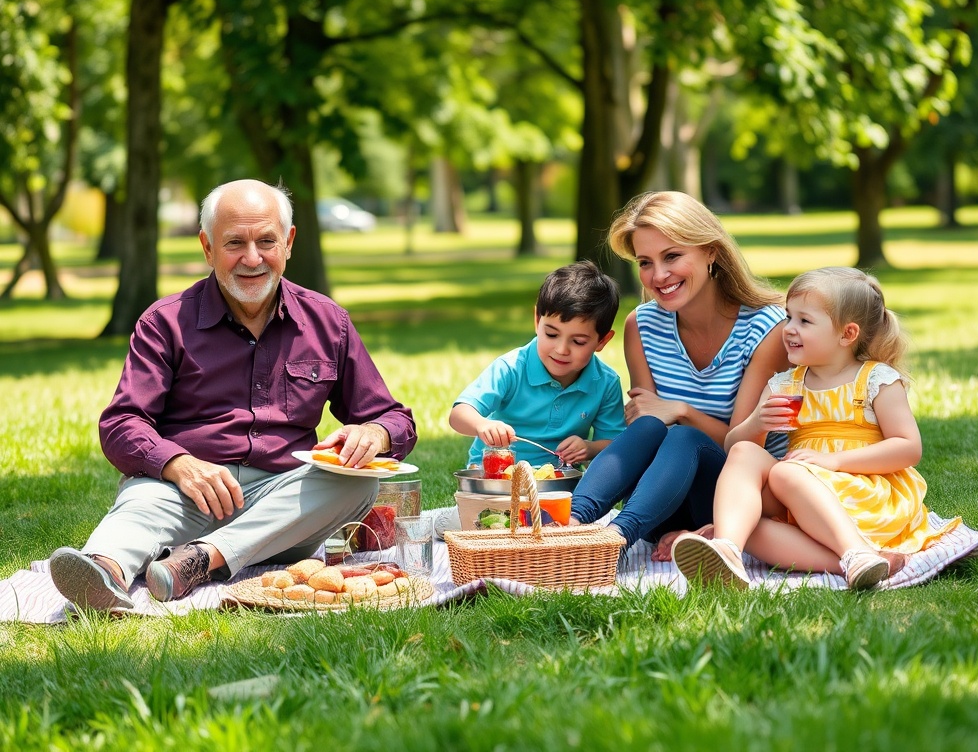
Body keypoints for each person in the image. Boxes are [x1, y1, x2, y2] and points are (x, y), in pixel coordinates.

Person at [48, 179, 417, 611]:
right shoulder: (165, 323)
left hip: (285, 503)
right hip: (186, 492)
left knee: (355, 483)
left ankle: (202, 560)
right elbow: (120, 423)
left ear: (289, 243)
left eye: (266, 241)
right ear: (207, 247)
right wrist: (177, 464)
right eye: (234, 243)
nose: (252, 258)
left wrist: (375, 433)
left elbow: (395, 417)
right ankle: (102, 573)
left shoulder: (327, 322)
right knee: (141, 503)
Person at [672, 267, 960, 590]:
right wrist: (756, 424)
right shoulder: (785, 383)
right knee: (745, 492)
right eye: (788, 317)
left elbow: (909, 448)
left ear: (847, 334)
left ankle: (855, 549)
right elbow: (732, 448)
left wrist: (834, 462)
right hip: (802, 498)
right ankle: (730, 550)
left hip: (863, 493)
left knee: (784, 472)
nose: (789, 329)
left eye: (804, 321)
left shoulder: (875, 380)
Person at [567, 191, 791, 555]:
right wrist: (665, 415)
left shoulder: (767, 328)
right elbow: (647, 424)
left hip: (734, 502)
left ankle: (616, 541)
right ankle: (570, 523)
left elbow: (745, 445)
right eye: (645, 262)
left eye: (672, 256)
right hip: (662, 501)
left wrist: (682, 411)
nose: (658, 276)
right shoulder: (642, 325)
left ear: (711, 251)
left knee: (684, 436)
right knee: (652, 428)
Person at [449, 260, 625, 468]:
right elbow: (458, 414)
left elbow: (616, 444)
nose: (561, 349)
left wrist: (590, 448)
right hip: (495, 475)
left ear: (602, 341)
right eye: (551, 334)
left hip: (558, 481)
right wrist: (482, 425)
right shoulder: (511, 368)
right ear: (537, 321)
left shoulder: (605, 382)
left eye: (578, 342)